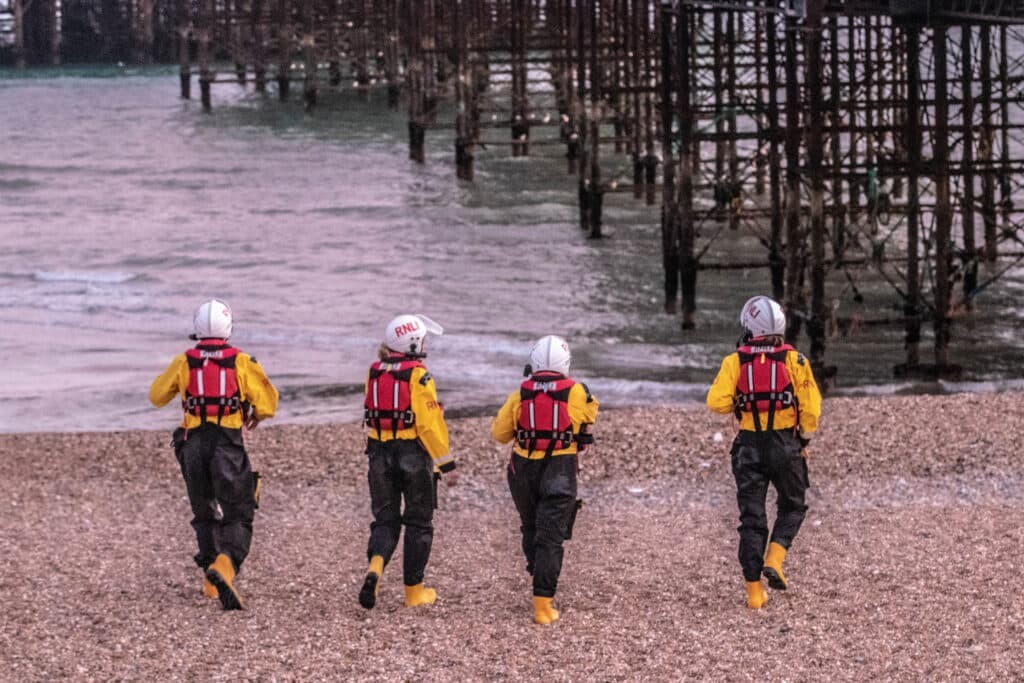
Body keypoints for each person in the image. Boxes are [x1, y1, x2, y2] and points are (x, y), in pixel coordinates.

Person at [149, 299, 278, 610]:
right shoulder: (242, 361)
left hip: (192, 444)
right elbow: (269, 403)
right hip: (226, 444)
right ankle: (224, 565)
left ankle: (210, 583)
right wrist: (254, 412)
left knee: (204, 510)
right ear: (228, 327)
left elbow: (156, 396)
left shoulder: (185, 361)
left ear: (197, 328)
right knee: (239, 511)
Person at [706, 295, 822, 609]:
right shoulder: (795, 360)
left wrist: (741, 401)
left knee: (752, 518)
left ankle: (755, 594)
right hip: (785, 445)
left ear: (750, 328)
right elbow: (811, 408)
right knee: (793, 505)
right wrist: (805, 440)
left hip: (748, 448)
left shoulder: (735, 362)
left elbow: (716, 402)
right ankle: (775, 558)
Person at [491, 335, 599, 625]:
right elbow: (589, 413)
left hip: (522, 470)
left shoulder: (520, 395)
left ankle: (536, 569)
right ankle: (543, 604)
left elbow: (499, 434)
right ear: (566, 363)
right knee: (551, 537)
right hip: (559, 469)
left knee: (530, 526)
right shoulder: (577, 392)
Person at [359, 313, 455, 610]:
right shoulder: (419, 376)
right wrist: (446, 462)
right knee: (419, 521)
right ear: (413, 343)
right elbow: (429, 424)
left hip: (378, 453)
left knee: (385, 519)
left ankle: (376, 566)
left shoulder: (374, 372)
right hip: (412, 454)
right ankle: (414, 592)